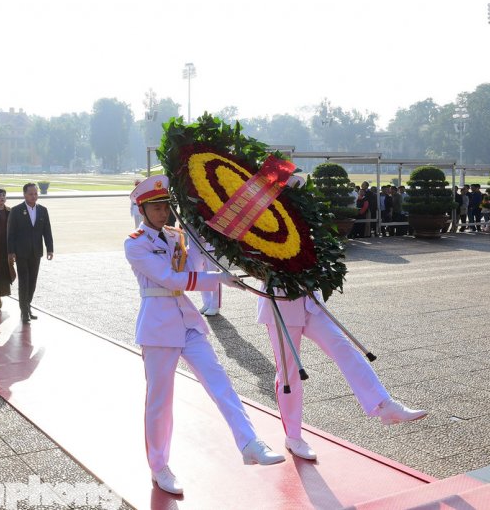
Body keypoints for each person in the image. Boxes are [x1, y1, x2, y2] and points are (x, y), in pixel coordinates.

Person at [125, 176, 284, 496]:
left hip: (187, 322)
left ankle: (249, 442)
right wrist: (216, 279)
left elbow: (191, 266)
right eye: (155, 207)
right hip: (157, 327)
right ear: (141, 209)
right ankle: (159, 466)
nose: (162, 213)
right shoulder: (135, 243)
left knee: (220, 383)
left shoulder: (177, 236)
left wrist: (231, 255)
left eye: (165, 206)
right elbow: (171, 278)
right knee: (160, 401)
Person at [257, 283, 427, 461]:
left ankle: (385, 404)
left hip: (309, 301)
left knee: (343, 348)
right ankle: (293, 437)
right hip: (280, 306)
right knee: (289, 372)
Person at [6, 182, 54, 324]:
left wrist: (50, 248)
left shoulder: (43, 210)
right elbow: (11, 233)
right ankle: (24, 311)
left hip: (36, 252)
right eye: (31, 194)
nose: (34, 196)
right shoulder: (16, 210)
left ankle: (27, 305)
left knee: (32, 282)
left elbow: (47, 231)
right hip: (21, 253)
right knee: (24, 282)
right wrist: (11, 251)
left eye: (36, 193)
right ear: (24, 195)